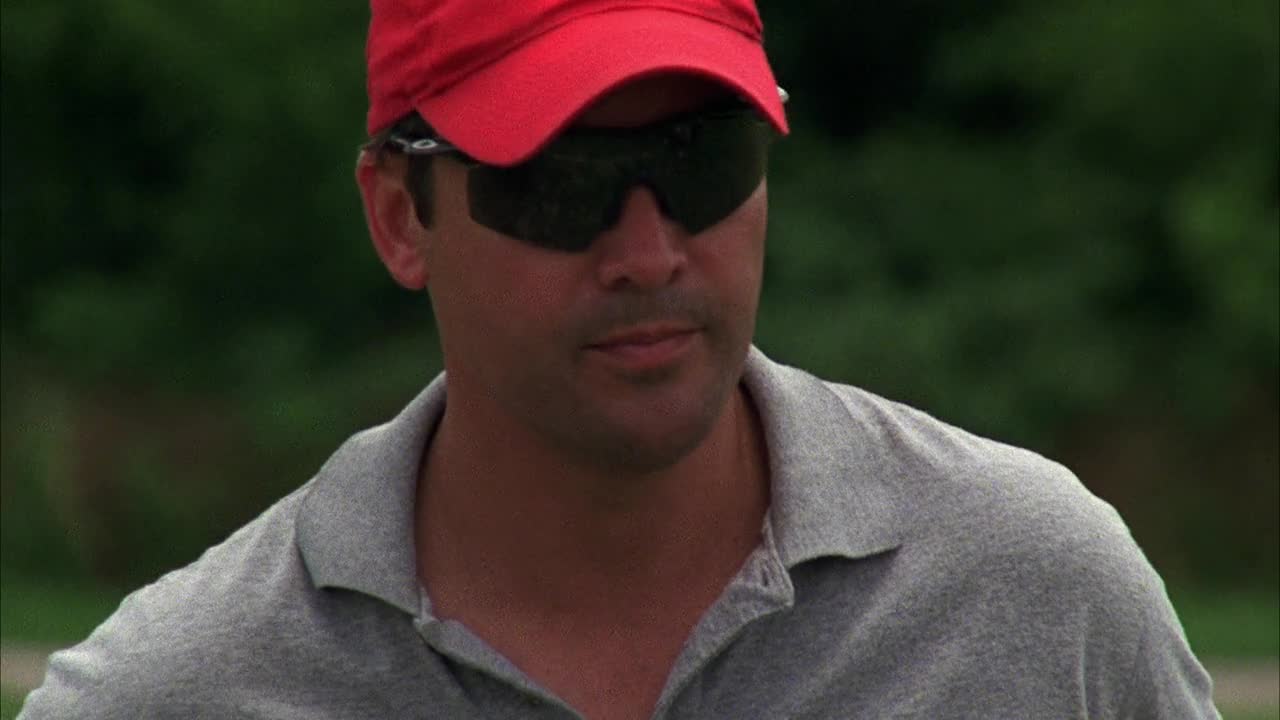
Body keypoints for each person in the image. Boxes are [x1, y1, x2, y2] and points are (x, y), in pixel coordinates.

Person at [20, 1, 1219, 718]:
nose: (647, 252)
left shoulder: (1036, 594)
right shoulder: (171, 694)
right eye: (560, 179)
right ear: (397, 215)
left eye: (703, 159)